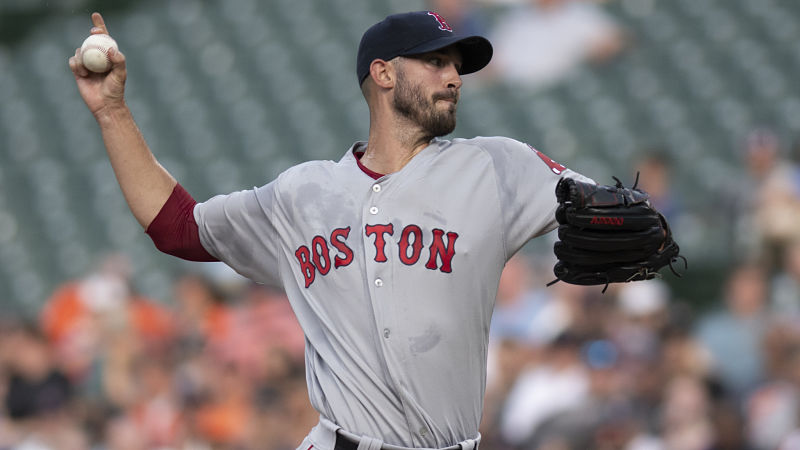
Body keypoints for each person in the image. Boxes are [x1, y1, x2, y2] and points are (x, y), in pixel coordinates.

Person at [69, 10, 601, 450]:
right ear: (385, 74)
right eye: (436, 61)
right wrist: (112, 112)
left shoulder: (497, 167)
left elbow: (615, 211)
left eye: (457, 65)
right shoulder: (302, 194)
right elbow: (177, 228)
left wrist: (628, 219)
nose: (454, 77)